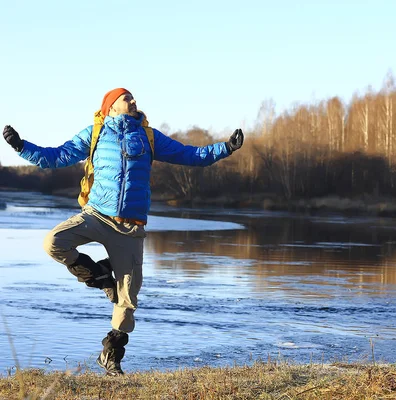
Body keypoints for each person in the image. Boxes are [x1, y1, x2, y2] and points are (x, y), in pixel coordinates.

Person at [2, 88, 244, 376]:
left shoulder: (148, 136)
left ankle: (111, 356)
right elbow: (56, 157)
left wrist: (226, 147)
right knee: (53, 242)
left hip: (130, 227)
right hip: (96, 215)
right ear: (111, 106)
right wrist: (21, 146)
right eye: (127, 98)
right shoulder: (95, 133)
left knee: (127, 297)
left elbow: (190, 155)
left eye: (134, 98)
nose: (134, 101)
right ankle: (101, 276)